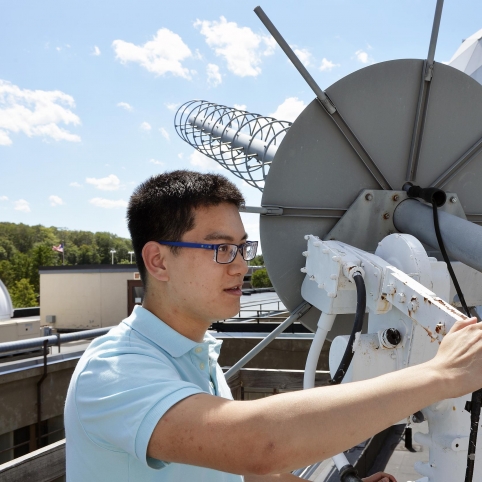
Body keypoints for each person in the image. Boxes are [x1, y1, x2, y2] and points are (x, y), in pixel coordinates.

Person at [65, 170, 482, 482]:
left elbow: (244, 474)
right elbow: (258, 445)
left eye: (242, 247)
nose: (243, 266)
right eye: (220, 248)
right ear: (158, 261)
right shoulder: (114, 369)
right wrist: (442, 374)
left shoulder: (197, 356)